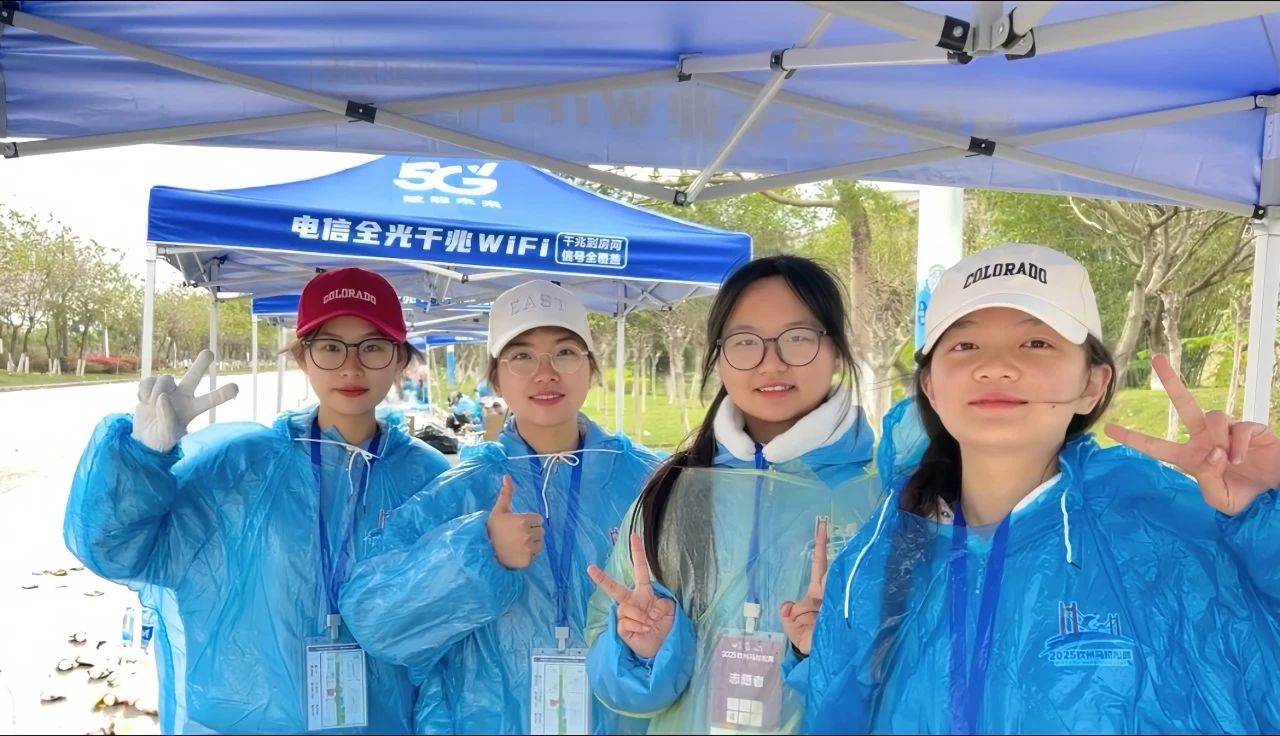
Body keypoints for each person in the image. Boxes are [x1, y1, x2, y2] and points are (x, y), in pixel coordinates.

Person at [806, 243, 1280, 734]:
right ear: (930, 387)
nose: (995, 367)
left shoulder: (1161, 530)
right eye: (965, 345)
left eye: (1035, 343)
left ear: (1092, 385)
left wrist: (1267, 515)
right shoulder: (883, 549)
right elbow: (833, 707)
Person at [63, 267, 453, 734]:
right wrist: (142, 460)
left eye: (372, 347)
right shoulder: (241, 467)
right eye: (331, 347)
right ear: (302, 356)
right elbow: (118, 551)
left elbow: (452, 630)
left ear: (400, 358)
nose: (351, 367)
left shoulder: (430, 480)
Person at [340, 279, 664, 734]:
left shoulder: (651, 483)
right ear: (496, 377)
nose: (545, 373)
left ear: (591, 368)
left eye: (565, 352)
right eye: (522, 356)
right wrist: (478, 551)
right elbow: (372, 616)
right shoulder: (461, 491)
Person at [584, 255, 883, 734]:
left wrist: (820, 652)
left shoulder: (879, 498)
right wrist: (644, 651)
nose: (772, 362)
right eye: (746, 342)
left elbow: (909, 684)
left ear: (836, 349)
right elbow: (617, 680)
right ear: (720, 356)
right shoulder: (671, 494)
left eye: (798, 338)